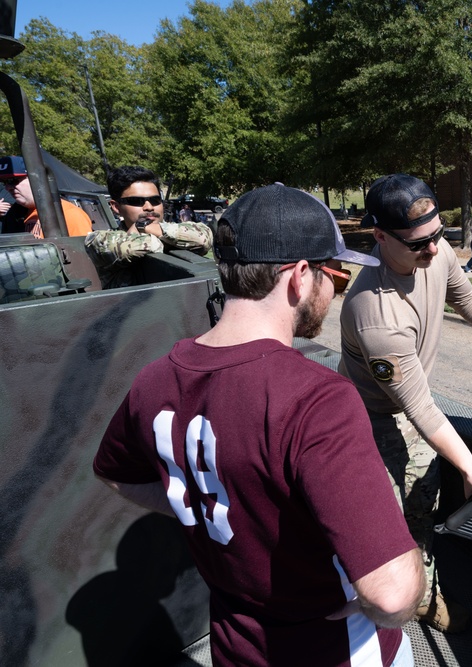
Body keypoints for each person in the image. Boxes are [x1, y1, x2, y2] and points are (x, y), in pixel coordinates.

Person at [92, 183, 424, 667]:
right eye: (337, 275)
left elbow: (115, 473)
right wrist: (409, 565)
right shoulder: (317, 399)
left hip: (235, 645)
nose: (335, 291)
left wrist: (210, 511)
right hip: (335, 649)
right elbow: (392, 597)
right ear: (300, 275)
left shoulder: (153, 379)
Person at [339, 174, 472, 633]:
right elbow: (418, 407)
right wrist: (469, 468)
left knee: (421, 500)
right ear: (379, 236)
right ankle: (414, 600)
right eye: (419, 244)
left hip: (413, 408)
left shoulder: (432, 251)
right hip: (376, 419)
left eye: (438, 236)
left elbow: (466, 298)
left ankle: (416, 586)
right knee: (400, 515)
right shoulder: (376, 313)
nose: (434, 251)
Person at [85, 166, 213, 289]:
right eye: (136, 201)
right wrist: (172, 239)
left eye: (155, 200)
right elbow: (131, 248)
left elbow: (204, 237)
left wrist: (148, 229)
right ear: (116, 207)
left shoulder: (170, 229)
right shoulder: (100, 239)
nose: (149, 207)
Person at [0, 155, 93, 238]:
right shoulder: (14, 216)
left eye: (12, 181)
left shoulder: (69, 214)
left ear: (37, 179)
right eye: (5, 182)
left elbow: (82, 255)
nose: (8, 188)